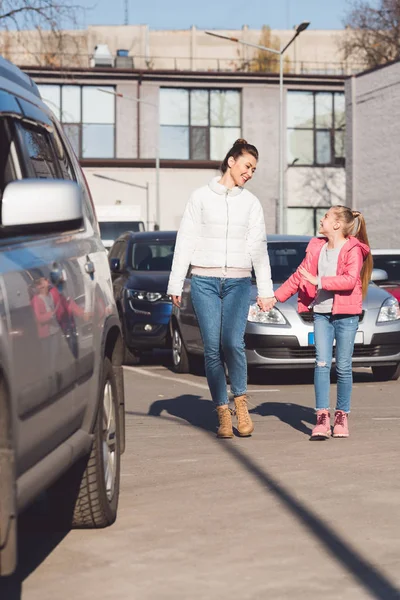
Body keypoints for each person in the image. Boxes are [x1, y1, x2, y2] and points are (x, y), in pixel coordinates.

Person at [167, 139, 275, 439]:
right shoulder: (200, 197)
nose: (250, 172)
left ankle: (240, 404)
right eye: (247, 166)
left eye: (254, 169)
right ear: (231, 162)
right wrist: (176, 282)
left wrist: (265, 290)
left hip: (239, 281)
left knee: (232, 342)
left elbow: (259, 248)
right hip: (204, 280)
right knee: (212, 348)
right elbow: (186, 240)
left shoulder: (251, 203)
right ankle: (222, 413)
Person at [274, 206, 372, 440]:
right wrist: (275, 298)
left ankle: (341, 416)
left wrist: (318, 281)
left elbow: (349, 280)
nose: (322, 219)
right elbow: (299, 275)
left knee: (345, 366)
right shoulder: (316, 246)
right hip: (321, 314)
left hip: (346, 314)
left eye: (327, 216)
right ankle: (321, 417)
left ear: (337, 224)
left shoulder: (353, 249)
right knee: (321, 364)